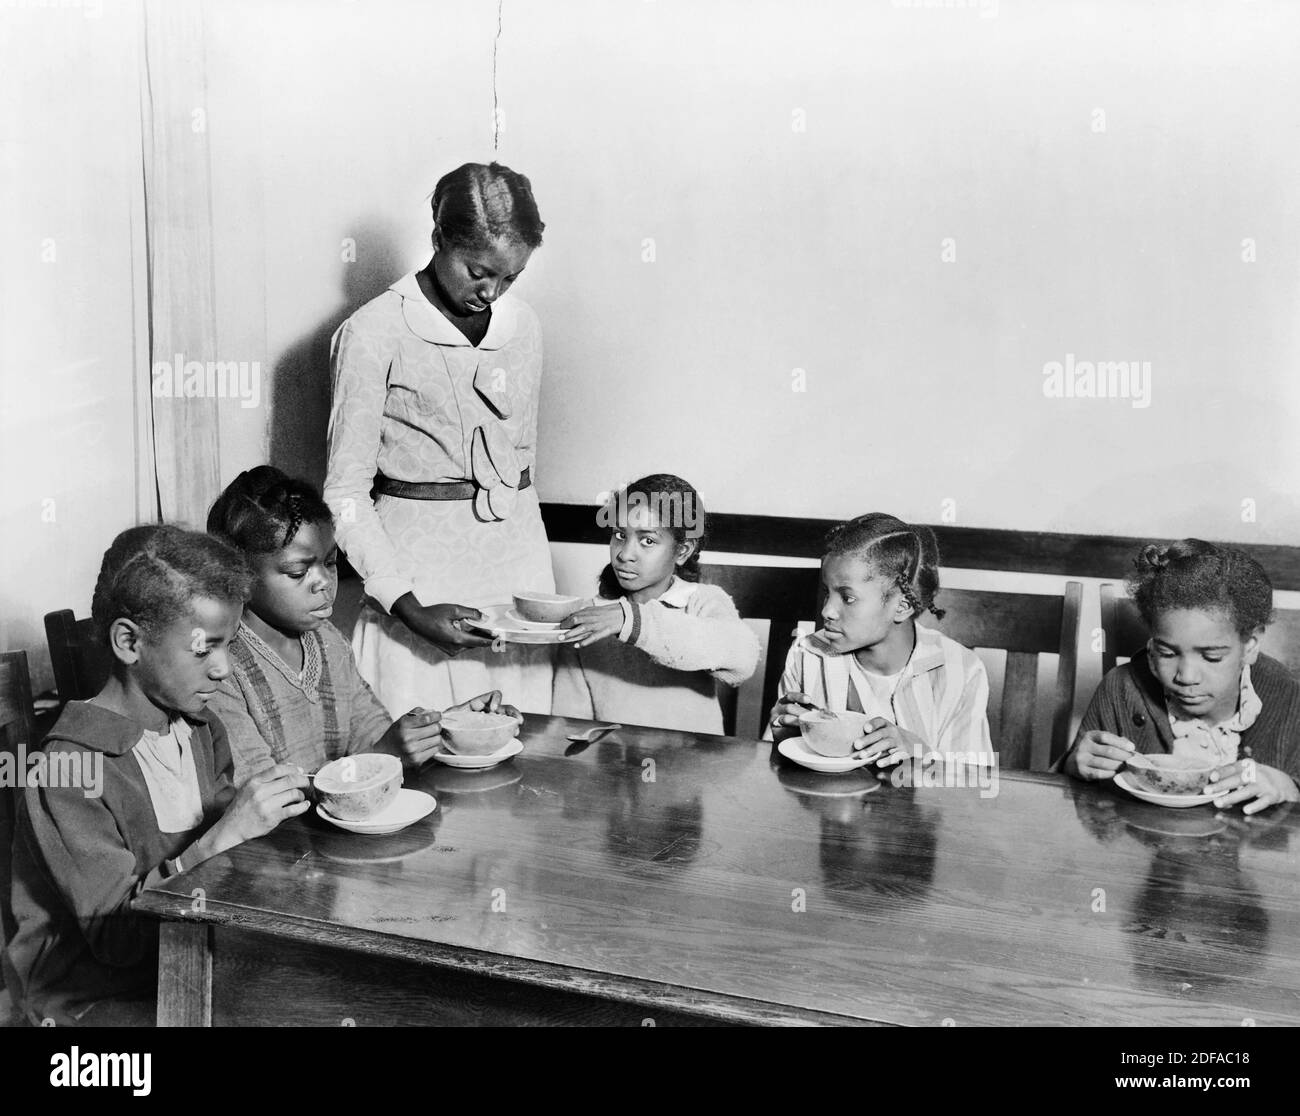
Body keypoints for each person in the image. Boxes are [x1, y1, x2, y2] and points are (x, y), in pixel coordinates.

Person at [4, 526, 309, 1026]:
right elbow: (119, 940)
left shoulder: (200, 729)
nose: (224, 669)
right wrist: (224, 835)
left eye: (228, 645)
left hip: (182, 956)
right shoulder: (67, 769)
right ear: (129, 642)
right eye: (204, 648)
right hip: (87, 1001)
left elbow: (227, 871)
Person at [324, 161, 554, 718]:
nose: (491, 291)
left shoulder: (523, 327)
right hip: (420, 581)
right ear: (437, 240)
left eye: (510, 278)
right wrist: (406, 605)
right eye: (478, 271)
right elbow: (346, 493)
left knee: (521, 748)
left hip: (518, 570)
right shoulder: (373, 332)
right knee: (426, 756)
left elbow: (521, 464)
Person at [206, 465, 517, 781]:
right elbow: (263, 794)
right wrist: (383, 754)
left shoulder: (327, 641)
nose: (324, 582)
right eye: (299, 573)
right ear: (240, 577)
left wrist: (450, 727)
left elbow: (373, 734)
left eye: (330, 563)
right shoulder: (220, 669)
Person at [1061, 539, 1300, 813]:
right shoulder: (1121, 688)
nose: (1186, 677)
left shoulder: (1288, 695)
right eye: (1166, 653)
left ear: (1250, 646)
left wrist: (1287, 787)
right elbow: (1072, 804)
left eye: (1211, 657)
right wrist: (1076, 766)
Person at [768, 513, 992, 766]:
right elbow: (780, 770)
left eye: (847, 598)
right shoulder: (807, 654)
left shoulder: (960, 670)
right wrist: (782, 736)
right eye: (825, 592)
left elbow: (970, 786)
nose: (826, 611)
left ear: (902, 606)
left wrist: (919, 752)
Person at [552, 474, 759, 734]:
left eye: (647, 540)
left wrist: (634, 621)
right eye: (619, 535)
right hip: (614, 768)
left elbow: (743, 658)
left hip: (693, 767)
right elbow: (570, 723)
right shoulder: (590, 616)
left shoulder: (701, 600)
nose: (624, 554)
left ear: (682, 551)